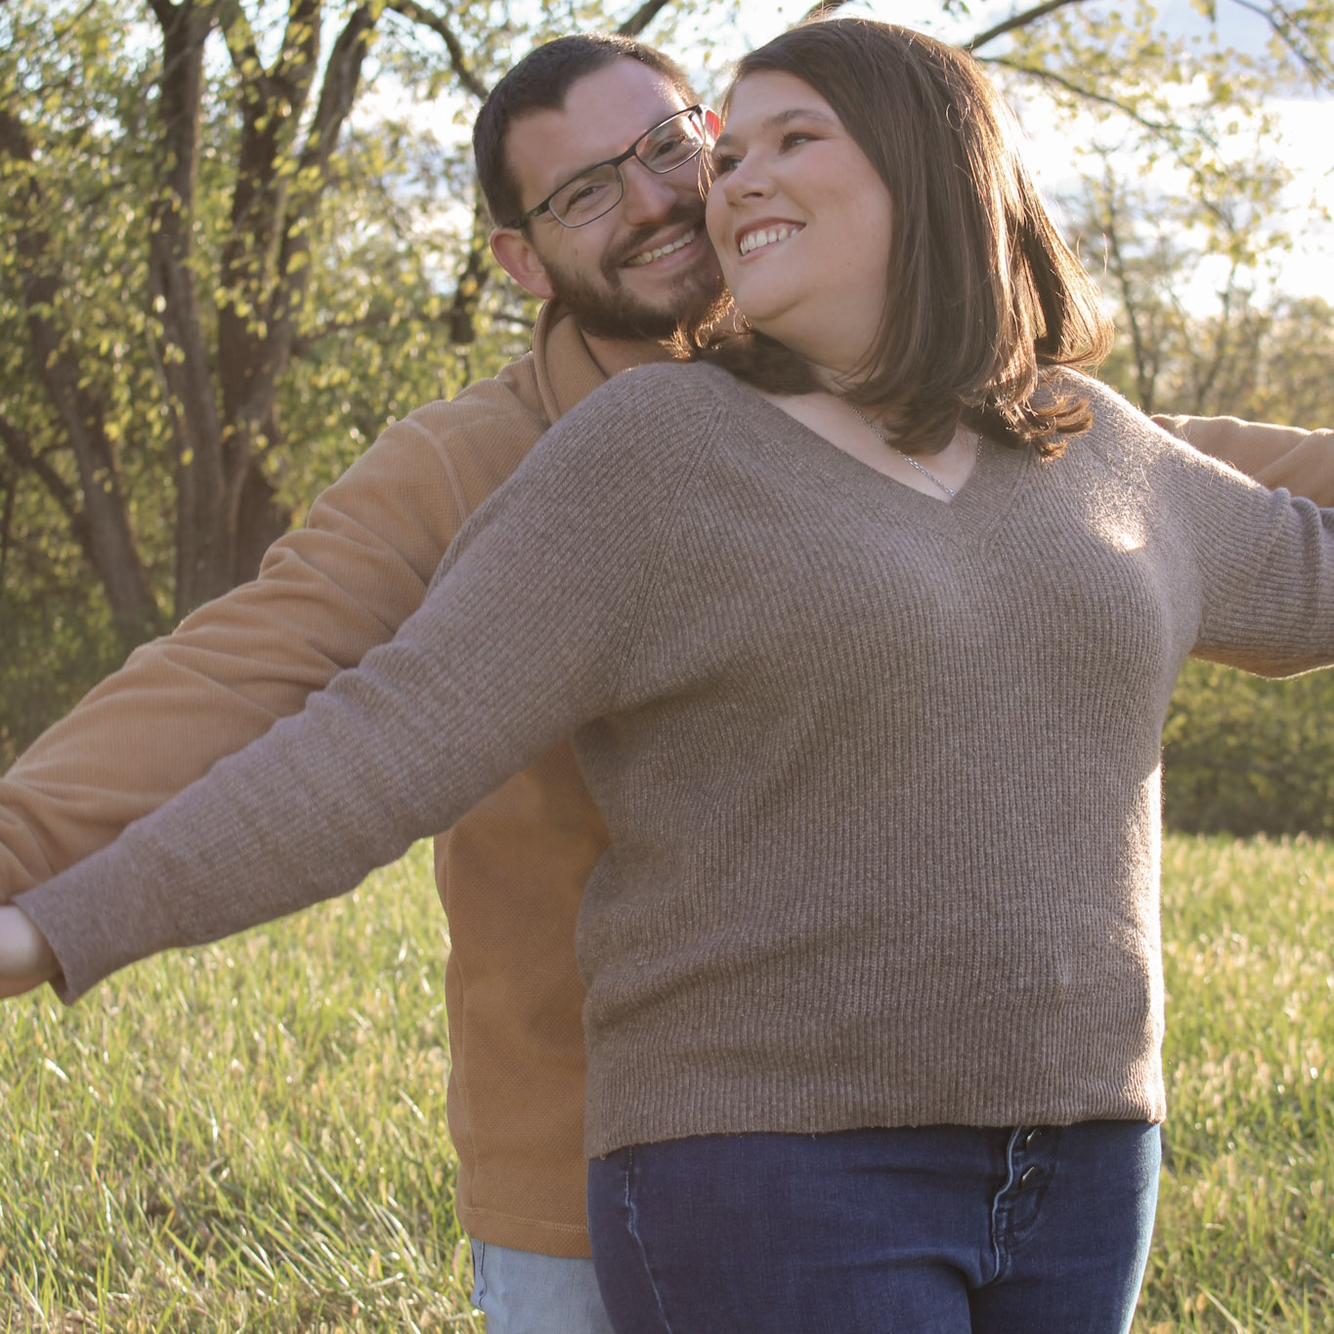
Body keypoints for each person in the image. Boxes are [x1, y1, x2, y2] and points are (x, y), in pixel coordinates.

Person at [1, 21, 1331, 1334]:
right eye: (588, 190)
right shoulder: (524, 462)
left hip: (1063, 1151)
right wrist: (33, 889)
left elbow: (1209, 507)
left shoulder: (1047, 433)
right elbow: (301, 704)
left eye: (676, 145)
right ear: (520, 258)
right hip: (672, 1155)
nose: (668, 196)